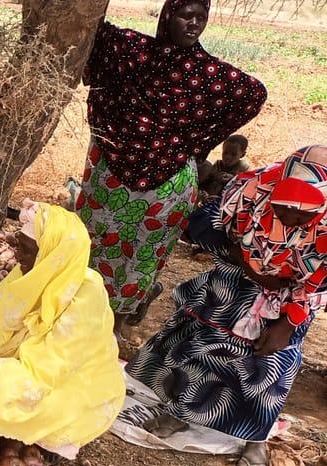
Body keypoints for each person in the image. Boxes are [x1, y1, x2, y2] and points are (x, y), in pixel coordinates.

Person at [127, 146, 327, 466]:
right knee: (206, 344)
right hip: (236, 277)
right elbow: (210, 224)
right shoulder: (253, 186)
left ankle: (254, 436)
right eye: (281, 211)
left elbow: (319, 280)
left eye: (301, 217)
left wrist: (288, 322)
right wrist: (241, 259)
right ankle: (183, 411)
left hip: (292, 294)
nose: (289, 222)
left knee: (270, 363)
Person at [76, 0, 266, 329]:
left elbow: (254, 94)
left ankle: (114, 329)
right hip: (110, 179)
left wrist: (196, 141)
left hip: (166, 187)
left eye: (201, 18)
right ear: (167, 16)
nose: (194, 24)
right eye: (185, 15)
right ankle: (74, 315)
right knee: (92, 245)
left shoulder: (208, 73)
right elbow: (92, 29)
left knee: (141, 258)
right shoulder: (131, 50)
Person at [0, 201, 125, 460]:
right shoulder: (30, 272)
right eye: (18, 245)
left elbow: (46, 373)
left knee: (27, 405)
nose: (17, 257)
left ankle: (40, 438)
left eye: (27, 250)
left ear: (50, 257)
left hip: (68, 385)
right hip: (23, 365)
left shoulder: (85, 299)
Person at [186, 134, 252, 249]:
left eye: (233, 154)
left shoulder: (243, 168)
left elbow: (245, 189)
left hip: (227, 208)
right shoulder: (217, 165)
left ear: (242, 154)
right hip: (210, 203)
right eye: (225, 153)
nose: (227, 157)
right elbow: (207, 184)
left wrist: (232, 179)